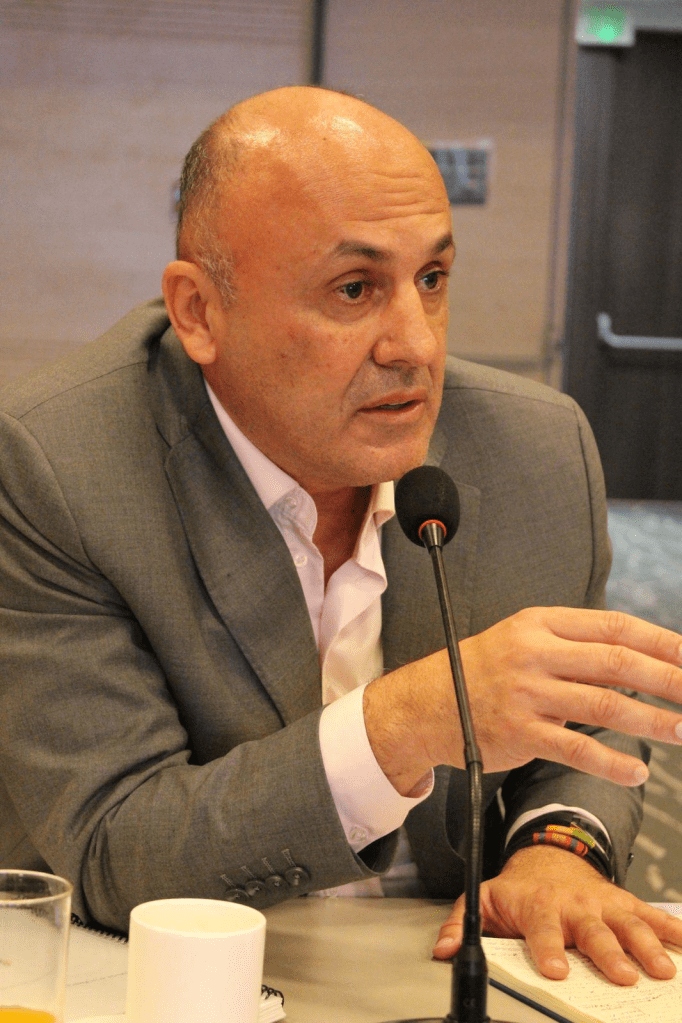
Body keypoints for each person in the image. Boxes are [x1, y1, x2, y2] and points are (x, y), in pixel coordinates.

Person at [1, 86, 682, 989]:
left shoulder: (537, 447)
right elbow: (116, 849)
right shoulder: (56, 464)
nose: (416, 346)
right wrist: (405, 724)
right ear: (199, 312)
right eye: (354, 289)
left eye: (431, 279)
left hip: (437, 970)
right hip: (155, 979)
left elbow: (582, 721)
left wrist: (558, 850)